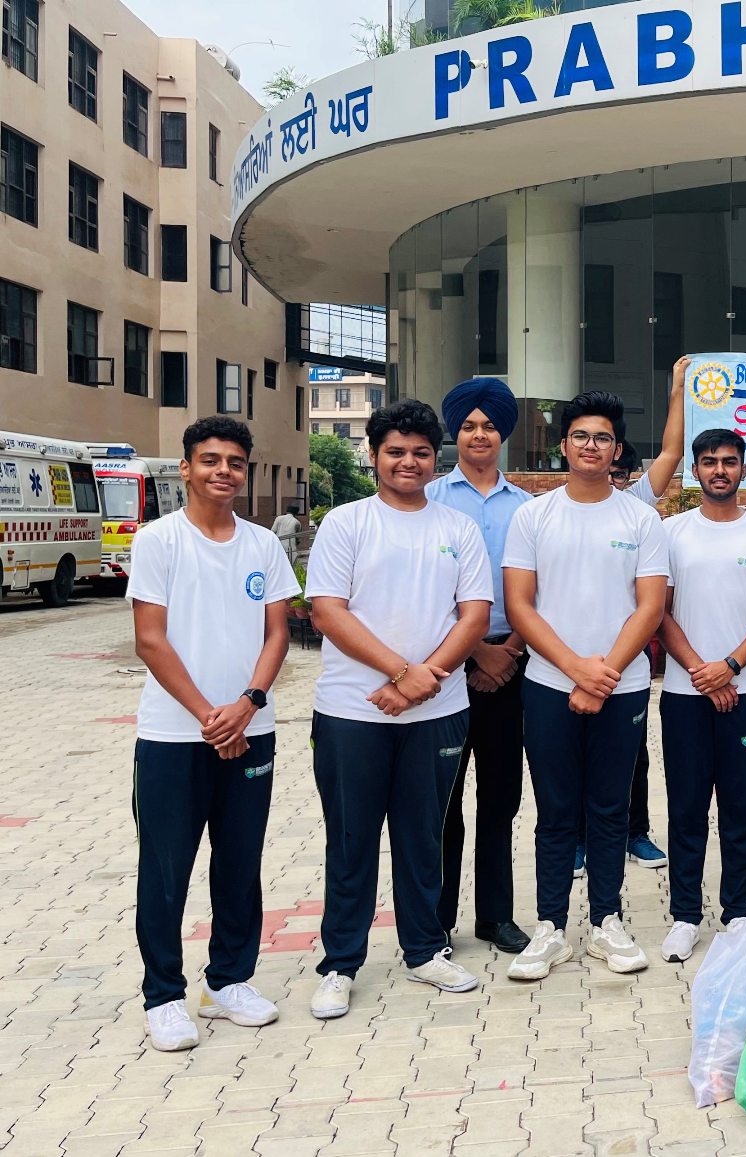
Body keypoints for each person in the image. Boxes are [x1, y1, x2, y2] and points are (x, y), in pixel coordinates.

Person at [305, 400, 494, 1019]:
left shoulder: (457, 528)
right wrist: (401, 672)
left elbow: (474, 615)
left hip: (438, 712)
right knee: (351, 839)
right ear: (373, 455)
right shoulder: (346, 523)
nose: (407, 462)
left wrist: (422, 681)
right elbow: (327, 611)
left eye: (420, 452)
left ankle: (425, 949)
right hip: (351, 712)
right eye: (395, 451)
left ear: (434, 458)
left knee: (423, 835)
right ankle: (340, 963)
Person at [128, 417, 299, 1051]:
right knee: (166, 867)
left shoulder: (263, 544)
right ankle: (164, 996)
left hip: (252, 730)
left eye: (234, 462)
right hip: (174, 737)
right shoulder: (159, 540)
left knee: (240, 861)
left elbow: (277, 632)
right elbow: (150, 640)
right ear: (186, 468)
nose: (223, 471)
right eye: (210, 460)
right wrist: (209, 715)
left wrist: (248, 705)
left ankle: (228, 981)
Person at [503, 390, 669, 977]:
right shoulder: (533, 516)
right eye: (581, 436)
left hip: (621, 687)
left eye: (602, 437)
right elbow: (520, 606)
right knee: (554, 809)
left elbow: (650, 607)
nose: (591, 446)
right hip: (549, 684)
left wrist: (602, 677)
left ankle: (606, 921)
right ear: (564, 446)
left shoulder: (640, 519)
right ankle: (550, 927)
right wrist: (576, 669)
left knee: (609, 806)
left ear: (617, 449)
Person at [657, 429, 746, 962]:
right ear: (694, 471)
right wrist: (702, 672)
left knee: (740, 807)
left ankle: (738, 912)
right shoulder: (671, 532)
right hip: (685, 691)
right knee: (687, 806)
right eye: (710, 462)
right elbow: (658, 610)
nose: (720, 470)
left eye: (729, 462)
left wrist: (730, 667)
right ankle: (684, 916)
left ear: (743, 470)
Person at [570, 358, 689, 876]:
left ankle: (634, 832)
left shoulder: (636, 507)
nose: (612, 477)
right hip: (568, 662)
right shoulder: (551, 510)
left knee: (632, 755)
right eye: (583, 439)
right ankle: (578, 840)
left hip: (625, 661)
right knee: (572, 759)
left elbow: (671, 453)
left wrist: (677, 389)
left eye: (620, 471)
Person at [428, 377, 534, 955]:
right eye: (468, 426)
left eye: (489, 426)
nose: (479, 435)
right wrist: (472, 652)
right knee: (442, 799)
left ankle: (495, 916)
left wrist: (509, 650)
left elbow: (540, 590)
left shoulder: (528, 508)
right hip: (443, 667)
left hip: (512, 665)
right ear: (455, 433)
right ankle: (436, 920)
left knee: (501, 796)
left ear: (503, 434)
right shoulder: (431, 499)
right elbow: (423, 594)